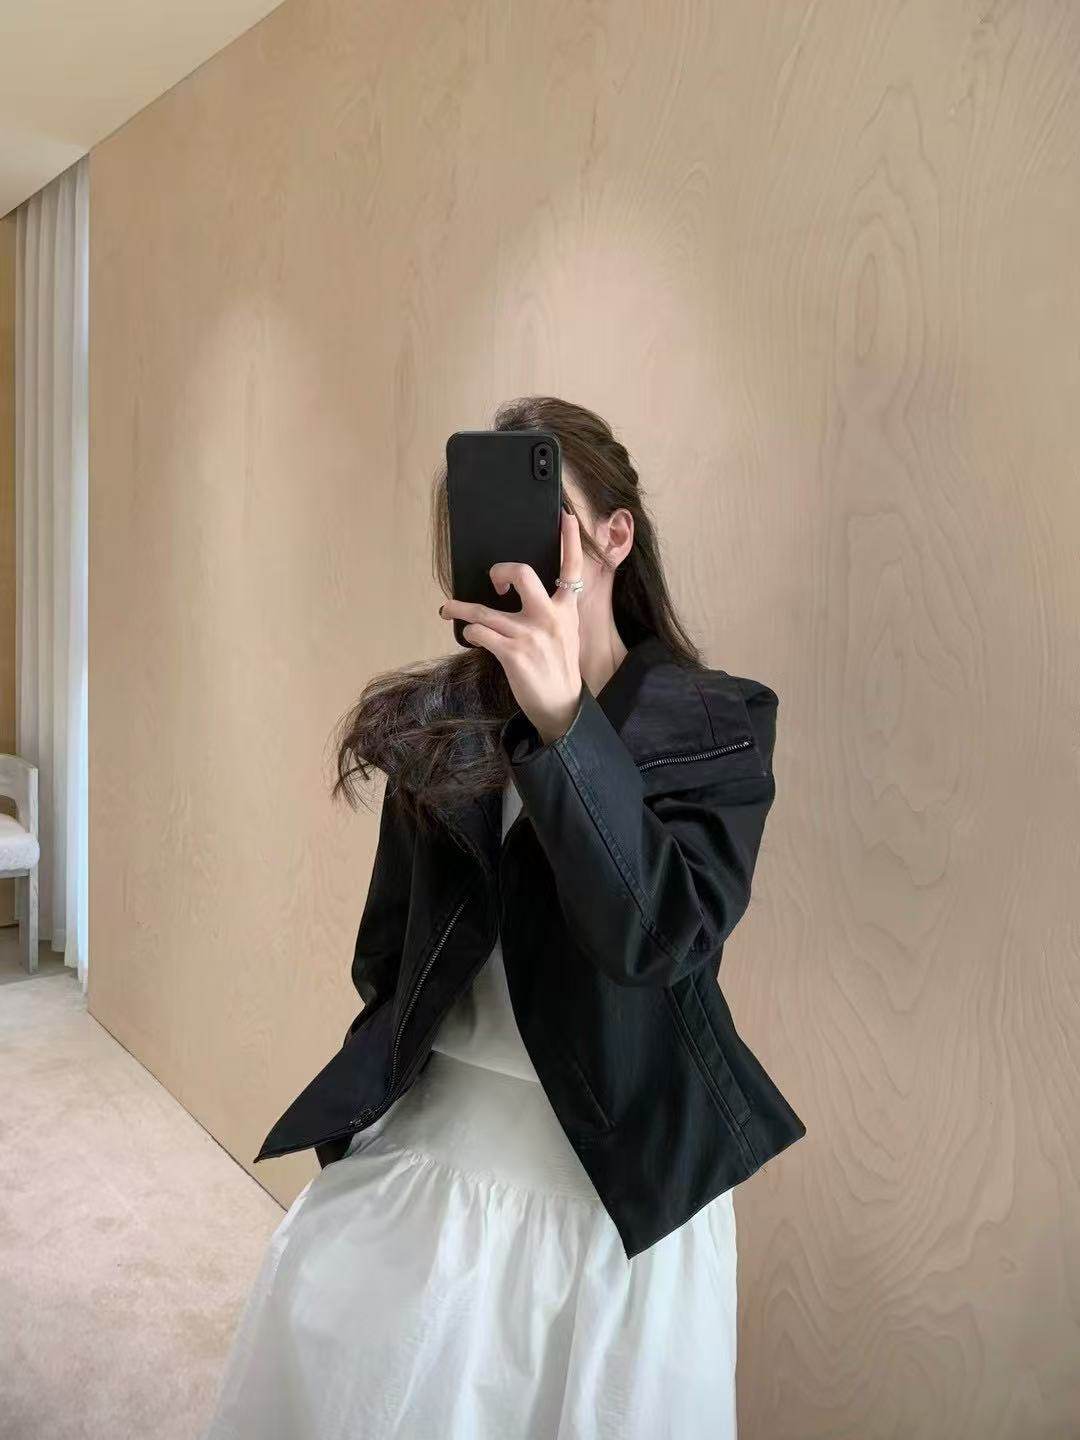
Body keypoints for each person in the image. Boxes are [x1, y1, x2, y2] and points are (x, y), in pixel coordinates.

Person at [201, 396, 805, 1440]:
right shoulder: (443, 722)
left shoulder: (716, 724)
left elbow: (660, 939)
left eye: (549, 516)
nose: (518, 551)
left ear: (615, 536)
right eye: (487, 522)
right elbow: (390, 952)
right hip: (438, 1144)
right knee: (333, 1353)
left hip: (622, 1183)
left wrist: (567, 725)